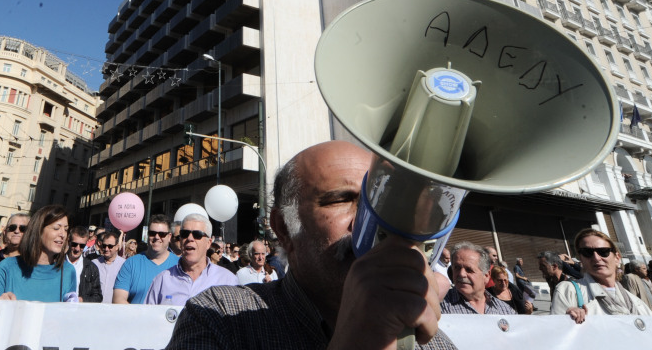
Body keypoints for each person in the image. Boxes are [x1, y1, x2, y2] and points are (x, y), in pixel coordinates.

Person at [166, 140, 454, 350]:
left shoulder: (432, 341)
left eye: (377, 203)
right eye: (341, 200)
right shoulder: (219, 318)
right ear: (284, 229)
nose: (368, 222)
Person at [550, 228, 652, 325]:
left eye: (603, 251)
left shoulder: (636, 302)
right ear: (581, 260)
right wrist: (566, 319)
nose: (596, 258)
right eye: (587, 252)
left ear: (617, 258)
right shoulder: (568, 290)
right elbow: (557, 336)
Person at [0, 204, 78, 302]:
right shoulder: (7, 267)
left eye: (66, 229)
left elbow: (68, 314)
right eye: (56, 228)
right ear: (38, 230)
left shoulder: (68, 271)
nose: (63, 234)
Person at [146, 214, 237, 305]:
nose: (189, 238)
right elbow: (148, 317)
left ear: (208, 243)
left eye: (197, 235)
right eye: (185, 234)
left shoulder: (227, 280)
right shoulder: (162, 280)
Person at [113, 213, 177, 303]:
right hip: (135, 317)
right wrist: (140, 316)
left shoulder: (179, 264)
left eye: (162, 234)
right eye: (152, 233)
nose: (157, 237)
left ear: (169, 237)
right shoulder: (131, 263)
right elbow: (118, 299)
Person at [439, 242, 515, 315]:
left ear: (486, 275)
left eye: (469, 270)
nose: (461, 274)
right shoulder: (440, 305)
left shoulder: (505, 311)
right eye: (457, 268)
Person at [68, 225, 102, 302]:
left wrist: (82, 300)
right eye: (74, 244)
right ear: (68, 241)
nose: (77, 248)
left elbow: (98, 297)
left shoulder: (91, 267)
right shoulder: (58, 263)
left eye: (82, 246)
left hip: (80, 311)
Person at [92, 229, 126, 299]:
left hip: (114, 308)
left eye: (110, 246)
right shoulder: (94, 263)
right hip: (95, 307)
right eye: (104, 246)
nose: (106, 249)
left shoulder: (124, 265)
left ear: (117, 247)